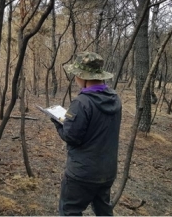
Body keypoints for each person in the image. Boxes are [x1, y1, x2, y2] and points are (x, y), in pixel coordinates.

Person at [51, 51, 122, 216]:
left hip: (82, 173)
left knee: (70, 211)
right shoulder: (115, 99)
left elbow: (71, 137)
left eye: (76, 74)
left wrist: (57, 122)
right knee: (104, 210)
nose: (75, 78)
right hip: (107, 171)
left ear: (83, 77)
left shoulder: (82, 102)